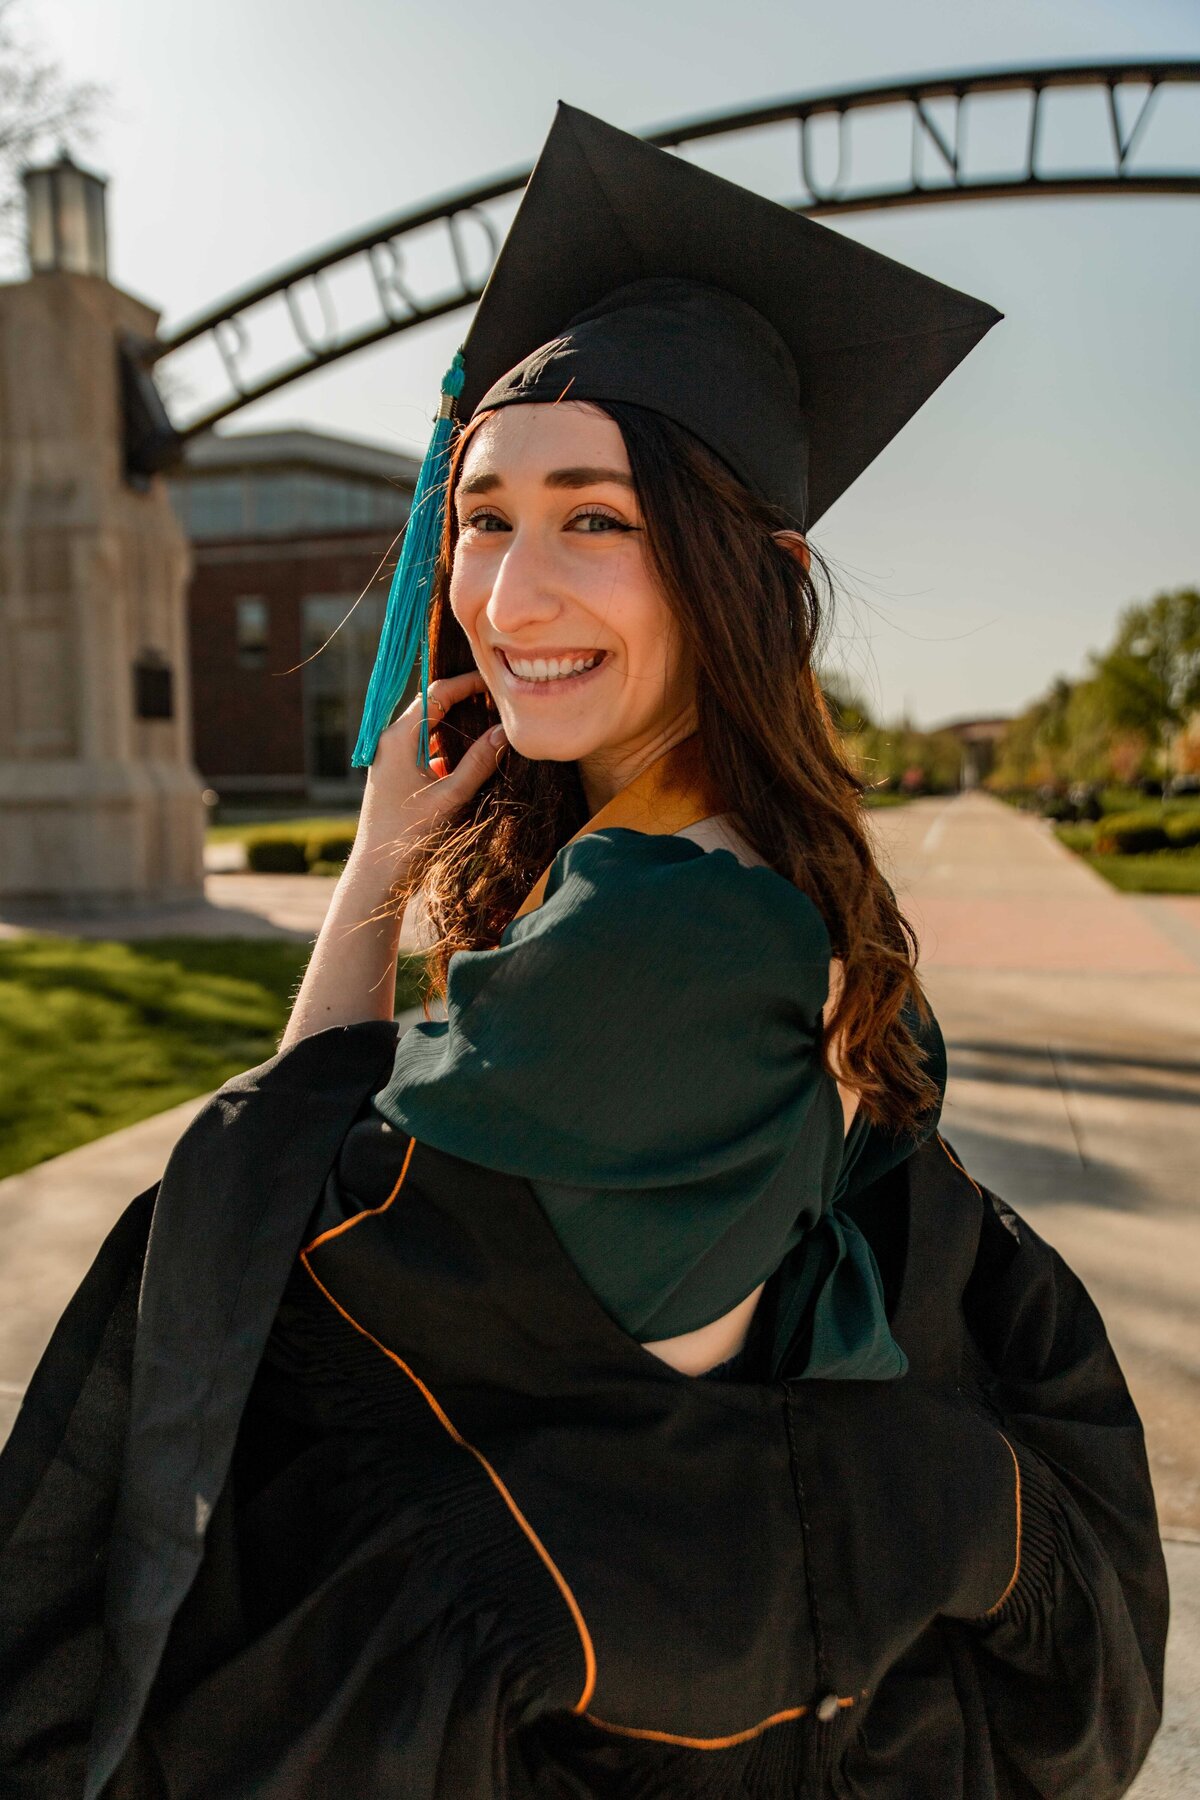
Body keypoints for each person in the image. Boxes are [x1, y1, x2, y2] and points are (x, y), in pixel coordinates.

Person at [0, 104, 1167, 1800]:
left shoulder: (658, 933)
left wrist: (372, 873)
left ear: (743, 574)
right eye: (481, 515)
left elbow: (273, 1252)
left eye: (595, 520)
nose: (506, 592)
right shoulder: (746, 865)